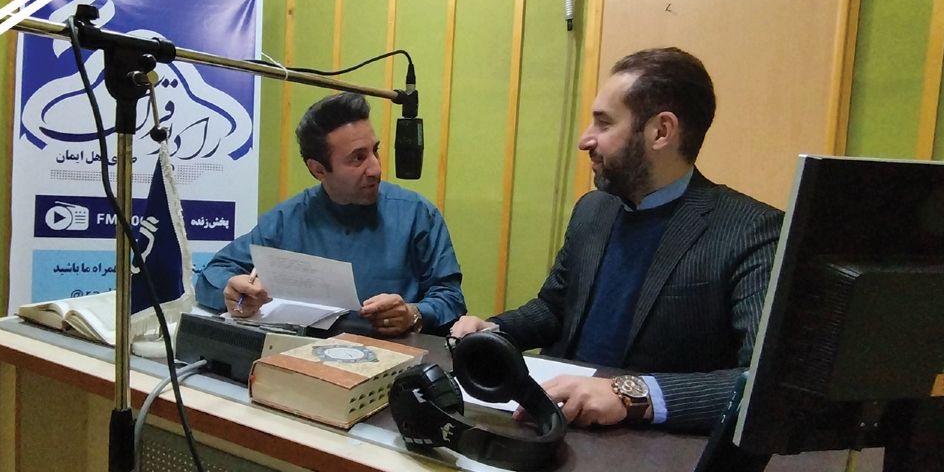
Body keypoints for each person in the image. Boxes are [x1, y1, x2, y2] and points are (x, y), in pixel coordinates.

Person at [451, 47, 783, 432]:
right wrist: (496, 331)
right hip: (550, 423)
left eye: (604, 123)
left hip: (644, 448)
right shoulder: (593, 210)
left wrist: (630, 394)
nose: (584, 140)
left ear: (661, 131)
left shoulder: (751, 231)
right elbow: (555, 308)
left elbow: (764, 383)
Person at [196, 91, 466, 336]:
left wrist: (413, 314)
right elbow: (213, 275)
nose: (375, 168)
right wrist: (232, 292)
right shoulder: (287, 221)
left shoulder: (417, 215)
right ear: (318, 169)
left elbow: (451, 298)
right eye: (358, 158)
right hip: (301, 358)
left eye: (375, 150)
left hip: (395, 357)